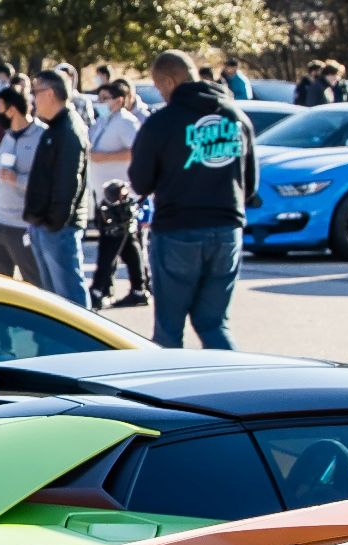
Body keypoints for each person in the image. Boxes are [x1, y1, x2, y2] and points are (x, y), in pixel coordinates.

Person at [130, 49, 258, 349]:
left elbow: (140, 182)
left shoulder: (163, 122)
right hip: (227, 229)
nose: (160, 94)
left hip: (178, 229)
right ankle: (232, 389)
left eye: (159, 87)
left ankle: (167, 393)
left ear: (170, 81)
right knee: (214, 323)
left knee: (169, 329)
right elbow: (249, 184)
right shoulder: (235, 116)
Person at [22, 68, 92, 306]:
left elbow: (67, 183)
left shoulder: (68, 130)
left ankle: (84, 343)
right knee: (54, 300)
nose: (33, 99)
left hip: (59, 228)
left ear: (50, 93)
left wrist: (54, 221)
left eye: (36, 92)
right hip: (46, 224)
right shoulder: (55, 127)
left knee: (70, 298)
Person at [0, 87, 43, 283]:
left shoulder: (41, 136)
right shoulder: (7, 138)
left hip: (24, 226)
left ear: (12, 109)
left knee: (35, 285)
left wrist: (18, 180)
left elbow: (45, 182)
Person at [91, 180, 151, 307]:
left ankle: (137, 290)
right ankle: (103, 290)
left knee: (127, 249)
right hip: (113, 211)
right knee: (116, 251)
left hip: (124, 216)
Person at [88, 79, 143, 196]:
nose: (100, 102)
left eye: (105, 98)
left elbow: (139, 152)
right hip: (100, 194)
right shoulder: (101, 121)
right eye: (99, 98)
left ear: (119, 100)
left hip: (120, 195)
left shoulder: (126, 121)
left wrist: (105, 157)